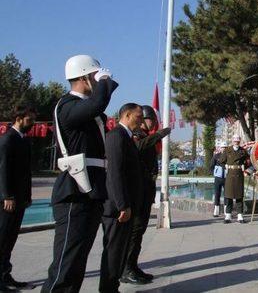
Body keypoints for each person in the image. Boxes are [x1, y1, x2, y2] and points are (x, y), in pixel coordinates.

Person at [42, 55, 118, 293]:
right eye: (94, 77)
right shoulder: (67, 106)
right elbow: (97, 104)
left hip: (91, 191)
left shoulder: (86, 110)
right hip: (75, 193)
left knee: (78, 263)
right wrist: (104, 80)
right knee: (66, 265)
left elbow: (97, 109)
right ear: (86, 77)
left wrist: (102, 83)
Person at [121, 105, 170, 285]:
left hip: (146, 188)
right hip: (137, 190)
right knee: (134, 231)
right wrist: (159, 135)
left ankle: (133, 265)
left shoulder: (145, 136)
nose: (154, 124)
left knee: (139, 231)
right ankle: (126, 268)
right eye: (152, 120)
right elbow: (140, 147)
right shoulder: (136, 135)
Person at [99, 103, 143, 292]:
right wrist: (123, 205)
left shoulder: (126, 137)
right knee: (114, 250)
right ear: (126, 115)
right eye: (138, 117)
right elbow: (115, 173)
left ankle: (112, 286)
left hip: (125, 204)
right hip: (117, 207)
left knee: (119, 250)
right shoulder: (116, 136)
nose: (141, 122)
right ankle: (108, 288)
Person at [0, 106, 35, 291]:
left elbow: (25, 173)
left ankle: (5, 274)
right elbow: (3, 170)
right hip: (8, 200)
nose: (32, 124)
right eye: (29, 120)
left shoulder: (23, 141)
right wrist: (7, 196)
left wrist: (27, 196)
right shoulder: (8, 140)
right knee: (3, 237)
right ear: (19, 119)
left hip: (19, 199)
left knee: (10, 238)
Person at [217, 134, 250, 223]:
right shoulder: (227, 150)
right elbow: (221, 161)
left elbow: (249, 161)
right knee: (229, 196)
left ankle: (240, 216)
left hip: (239, 174)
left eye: (238, 141)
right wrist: (226, 166)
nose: (236, 142)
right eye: (235, 141)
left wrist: (245, 167)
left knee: (239, 196)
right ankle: (228, 216)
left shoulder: (243, 151)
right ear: (232, 141)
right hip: (230, 174)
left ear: (240, 141)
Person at [210, 143, 227, 218]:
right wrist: (215, 173)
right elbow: (211, 166)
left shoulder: (229, 156)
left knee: (227, 194)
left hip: (226, 178)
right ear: (220, 148)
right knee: (217, 193)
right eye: (222, 147)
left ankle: (227, 211)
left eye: (225, 147)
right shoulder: (216, 156)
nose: (223, 149)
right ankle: (216, 210)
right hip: (218, 178)